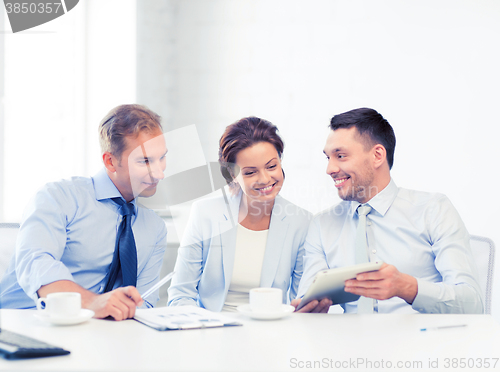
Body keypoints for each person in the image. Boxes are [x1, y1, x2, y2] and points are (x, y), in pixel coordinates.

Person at [292, 108, 483, 314]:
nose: (329, 169)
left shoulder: (433, 209)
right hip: (348, 343)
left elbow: (472, 303)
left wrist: (407, 287)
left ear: (377, 156)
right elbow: (307, 299)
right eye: (328, 158)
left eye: (340, 155)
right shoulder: (322, 225)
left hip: (422, 342)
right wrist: (308, 310)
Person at [0, 104, 168, 320]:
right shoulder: (59, 197)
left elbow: (144, 304)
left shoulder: (154, 228)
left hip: (97, 335)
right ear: (110, 161)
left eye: (161, 157)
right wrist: (92, 302)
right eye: (145, 161)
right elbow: (36, 263)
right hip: (23, 324)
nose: (159, 173)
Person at [168, 116, 312, 311]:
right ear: (232, 177)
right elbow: (181, 294)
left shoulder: (301, 222)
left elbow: (301, 302)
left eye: (272, 166)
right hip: (211, 330)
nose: (265, 179)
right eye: (250, 172)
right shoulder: (205, 214)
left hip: (272, 333)